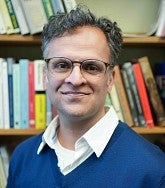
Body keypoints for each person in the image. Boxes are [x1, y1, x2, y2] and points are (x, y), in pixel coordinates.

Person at [7, 6, 165, 188]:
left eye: (91, 67)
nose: (75, 80)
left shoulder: (154, 170)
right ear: (45, 76)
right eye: (61, 65)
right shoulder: (22, 157)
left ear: (110, 79)